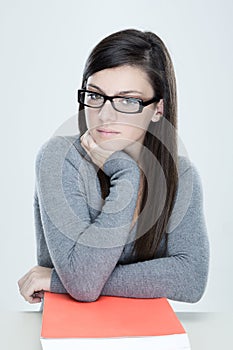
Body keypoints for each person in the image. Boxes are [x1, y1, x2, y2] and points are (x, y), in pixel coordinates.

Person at [18, 29, 209, 304]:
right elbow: (83, 283)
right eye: (95, 96)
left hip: (147, 334)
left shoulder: (181, 175)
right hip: (69, 333)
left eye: (127, 101)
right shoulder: (60, 158)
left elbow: (191, 279)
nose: (105, 115)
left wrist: (57, 281)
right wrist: (127, 173)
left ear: (158, 109)